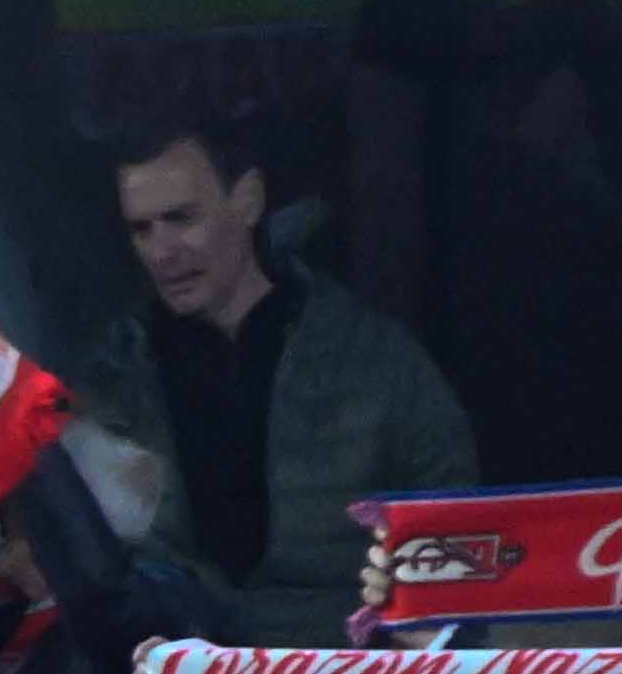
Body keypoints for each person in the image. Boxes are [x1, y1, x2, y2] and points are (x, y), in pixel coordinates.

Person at [48, 108, 477, 645]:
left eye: (182, 218)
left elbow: (458, 532)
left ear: (247, 201)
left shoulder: (370, 359)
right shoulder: (116, 374)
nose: (161, 251)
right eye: (141, 229)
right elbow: (83, 556)